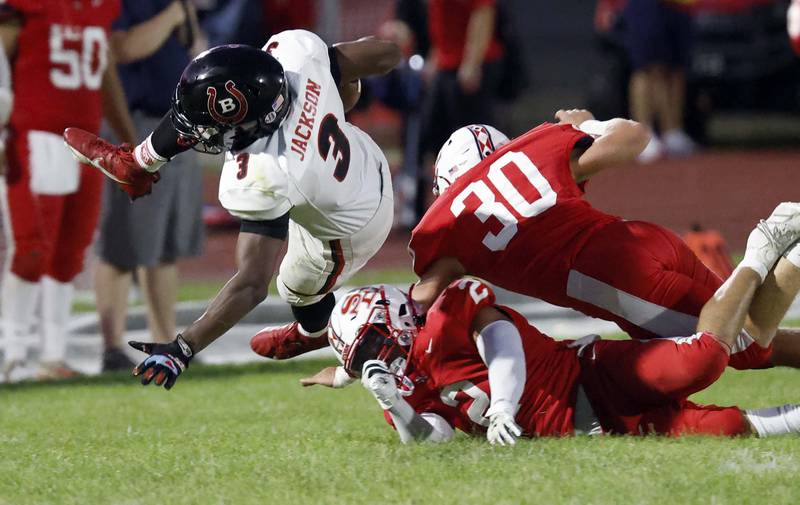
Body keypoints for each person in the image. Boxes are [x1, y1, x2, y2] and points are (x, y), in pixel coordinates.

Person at [64, 29, 401, 388]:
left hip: (352, 225)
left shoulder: (267, 172)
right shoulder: (295, 61)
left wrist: (183, 347)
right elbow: (387, 54)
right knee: (343, 84)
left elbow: (252, 283)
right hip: (364, 158)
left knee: (295, 287)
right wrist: (340, 87)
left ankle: (318, 331)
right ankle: (138, 162)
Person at [305, 202, 800, 443]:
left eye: (375, 347)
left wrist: (502, 404)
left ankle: (761, 244)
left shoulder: (446, 315)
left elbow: (500, 340)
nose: (380, 362)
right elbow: (436, 436)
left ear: (389, 317)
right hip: (591, 426)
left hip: (593, 374)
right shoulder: (398, 381)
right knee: (726, 425)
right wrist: (396, 406)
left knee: (711, 357)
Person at [407, 112, 800, 372]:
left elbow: (418, 305)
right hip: (645, 239)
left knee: (741, 343)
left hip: (620, 281)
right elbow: (635, 137)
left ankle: (767, 242)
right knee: (754, 335)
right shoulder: (531, 157)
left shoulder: (452, 225)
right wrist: (589, 125)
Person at [0, 0, 137, 381]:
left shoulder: (100, 8)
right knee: (30, 249)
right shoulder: (26, 7)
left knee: (69, 252)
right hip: (34, 135)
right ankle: (12, 354)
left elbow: (105, 76)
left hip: (86, 143)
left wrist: (130, 143)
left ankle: (52, 357)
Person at [95, 0, 205, 372]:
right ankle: (111, 347)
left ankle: (165, 340)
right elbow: (122, 48)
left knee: (165, 246)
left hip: (177, 124)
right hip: (135, 124)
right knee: (121, 244)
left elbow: (193, 48)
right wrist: (173, 14)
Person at [620, 0, 696, 161]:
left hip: (682, 5)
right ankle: (643, 135)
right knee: (647, 68)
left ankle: (672, 132)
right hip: (647, 5)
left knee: (676, 68)